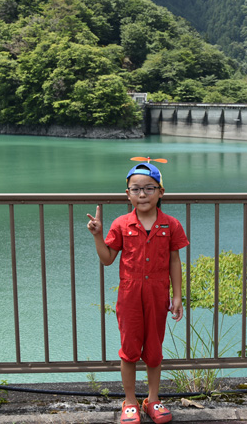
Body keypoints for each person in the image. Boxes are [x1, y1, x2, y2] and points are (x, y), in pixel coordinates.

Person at [86, 162, 189, 424]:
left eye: (149, 188)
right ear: (127, 193)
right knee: (129, 349)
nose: (142, 194)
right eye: (136, 189)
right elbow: (108, 259)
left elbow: (174, 261)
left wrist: (177, 296)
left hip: (157, 293)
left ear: (161, 192)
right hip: (129, 294)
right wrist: (98, 235)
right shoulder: (121, 224)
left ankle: (152, 400)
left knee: (154, 349)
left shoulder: (171, 225)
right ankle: (130, 401)